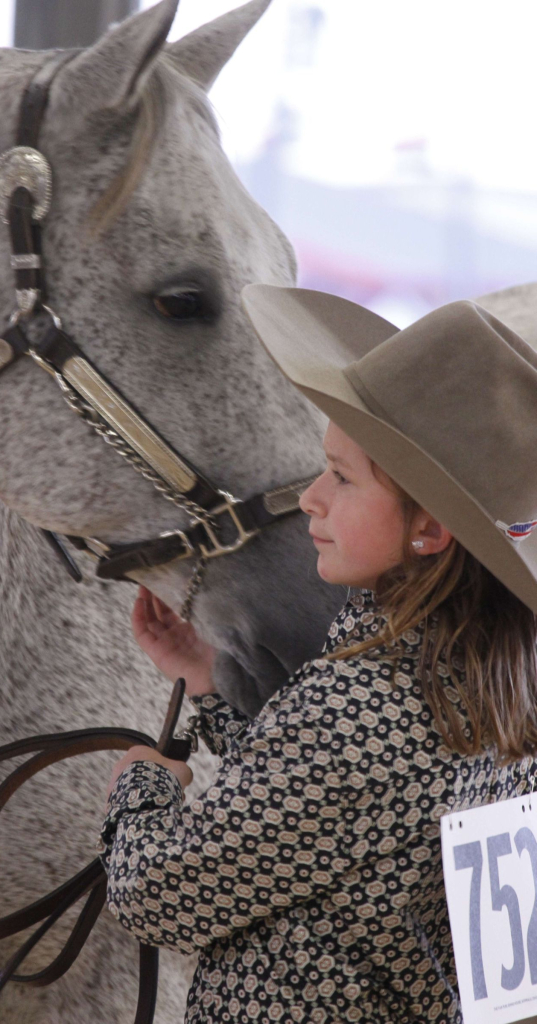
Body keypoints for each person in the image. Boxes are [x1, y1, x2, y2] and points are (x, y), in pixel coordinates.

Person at [99, 286, 537, 1023]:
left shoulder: (366, 700)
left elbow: (161, 896)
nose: (309, 498)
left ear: (428, 531)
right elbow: (332, 824)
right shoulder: (490, 679)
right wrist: (208, 688)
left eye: (341, 477)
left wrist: (140, 789)